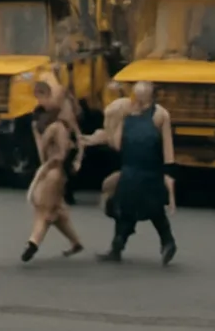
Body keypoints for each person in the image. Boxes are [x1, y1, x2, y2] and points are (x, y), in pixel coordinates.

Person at [95, 80, 177, 264]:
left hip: (143, 171)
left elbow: (167, 148)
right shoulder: (130, 114)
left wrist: (169, 173)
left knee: (148, 209)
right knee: (130, 209)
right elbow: (117, 144)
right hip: (136, 171)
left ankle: (165, 242)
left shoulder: (159, 115)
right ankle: (120, 246)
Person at [21, 77, 84, 262]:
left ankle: (33, 242)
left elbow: (68, 147)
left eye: (41, 97)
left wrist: (76, 159)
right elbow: (41, 148)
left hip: (56, 168)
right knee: (57, 210)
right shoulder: (38, 118)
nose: (40, 102)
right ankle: (75, 242)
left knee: (44, 208)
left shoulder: (61, 121)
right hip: (48, 167)